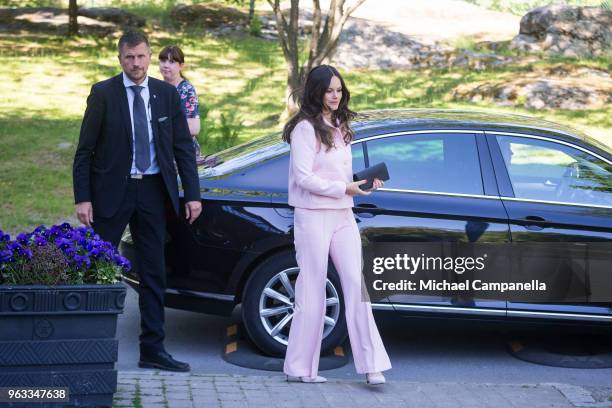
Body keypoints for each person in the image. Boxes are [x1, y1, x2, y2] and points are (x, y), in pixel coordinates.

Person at [73, 30, 202, 372]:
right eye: (129, 57)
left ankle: (153, 350)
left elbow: (182, 149)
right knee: (98, 270)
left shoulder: (165, 94)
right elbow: (84, 151)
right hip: (111, 193)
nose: (136, 63)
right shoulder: (103, 94)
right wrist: (83, 198)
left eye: (141, 56)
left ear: (149, 57)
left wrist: (192, 194)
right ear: (120, 58)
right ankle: (89, 348)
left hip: (152, 191)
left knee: (154, 271)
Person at [282, 65, 392, 385]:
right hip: (313, 214)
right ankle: (301, 369)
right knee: (311, 289)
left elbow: (339, 174)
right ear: (316, 91)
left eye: (339, 90)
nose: (335, 96)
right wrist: (344, 188)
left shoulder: (340, 124)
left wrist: (362, 184)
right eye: (329, 90)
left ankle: (372, 366)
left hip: (343, 214)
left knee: (357, 288)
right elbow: (304, 178)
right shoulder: (305, 128)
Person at [158, 45, 204, 162]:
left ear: (181, 66)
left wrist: (161, 128)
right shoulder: (156, 88)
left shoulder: (186, 90)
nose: (166, 65)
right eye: (163, 60)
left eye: (172, 61)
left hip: (183, 155)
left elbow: (194, 128)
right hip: (163, 154)